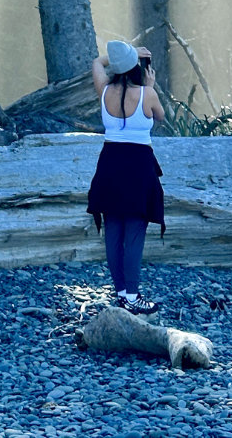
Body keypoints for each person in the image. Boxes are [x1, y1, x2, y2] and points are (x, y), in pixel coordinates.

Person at [87, 38, 166, 315]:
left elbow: (98, 62)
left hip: (110, 164)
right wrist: (149, 86)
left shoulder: (104, 89)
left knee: (113, 229)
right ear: (138, 68)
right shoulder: (148, 94)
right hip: (138, 166)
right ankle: (132, 296)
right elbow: (160, 118)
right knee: (134, 232)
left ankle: (121, 291)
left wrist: (126, 53)